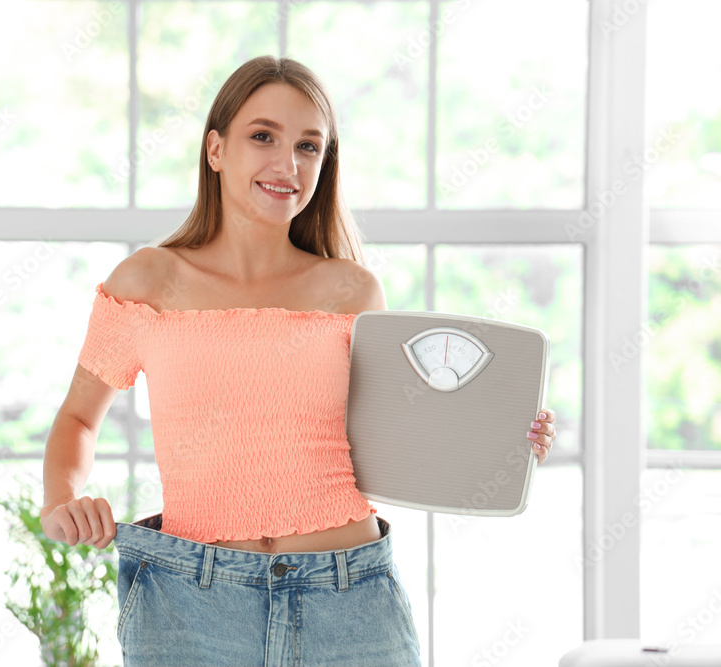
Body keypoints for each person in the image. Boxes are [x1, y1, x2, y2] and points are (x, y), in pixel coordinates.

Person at [41, 55, 557, 666]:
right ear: (215, 149)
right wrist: (60, 505)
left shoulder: (352, 291)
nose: (288, 165)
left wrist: (503, 436)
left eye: (309, 147)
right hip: (189, 607)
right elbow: (78, 419)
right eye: (263, 136)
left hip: (350, 600)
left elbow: (396, 438)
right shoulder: (147, 281)